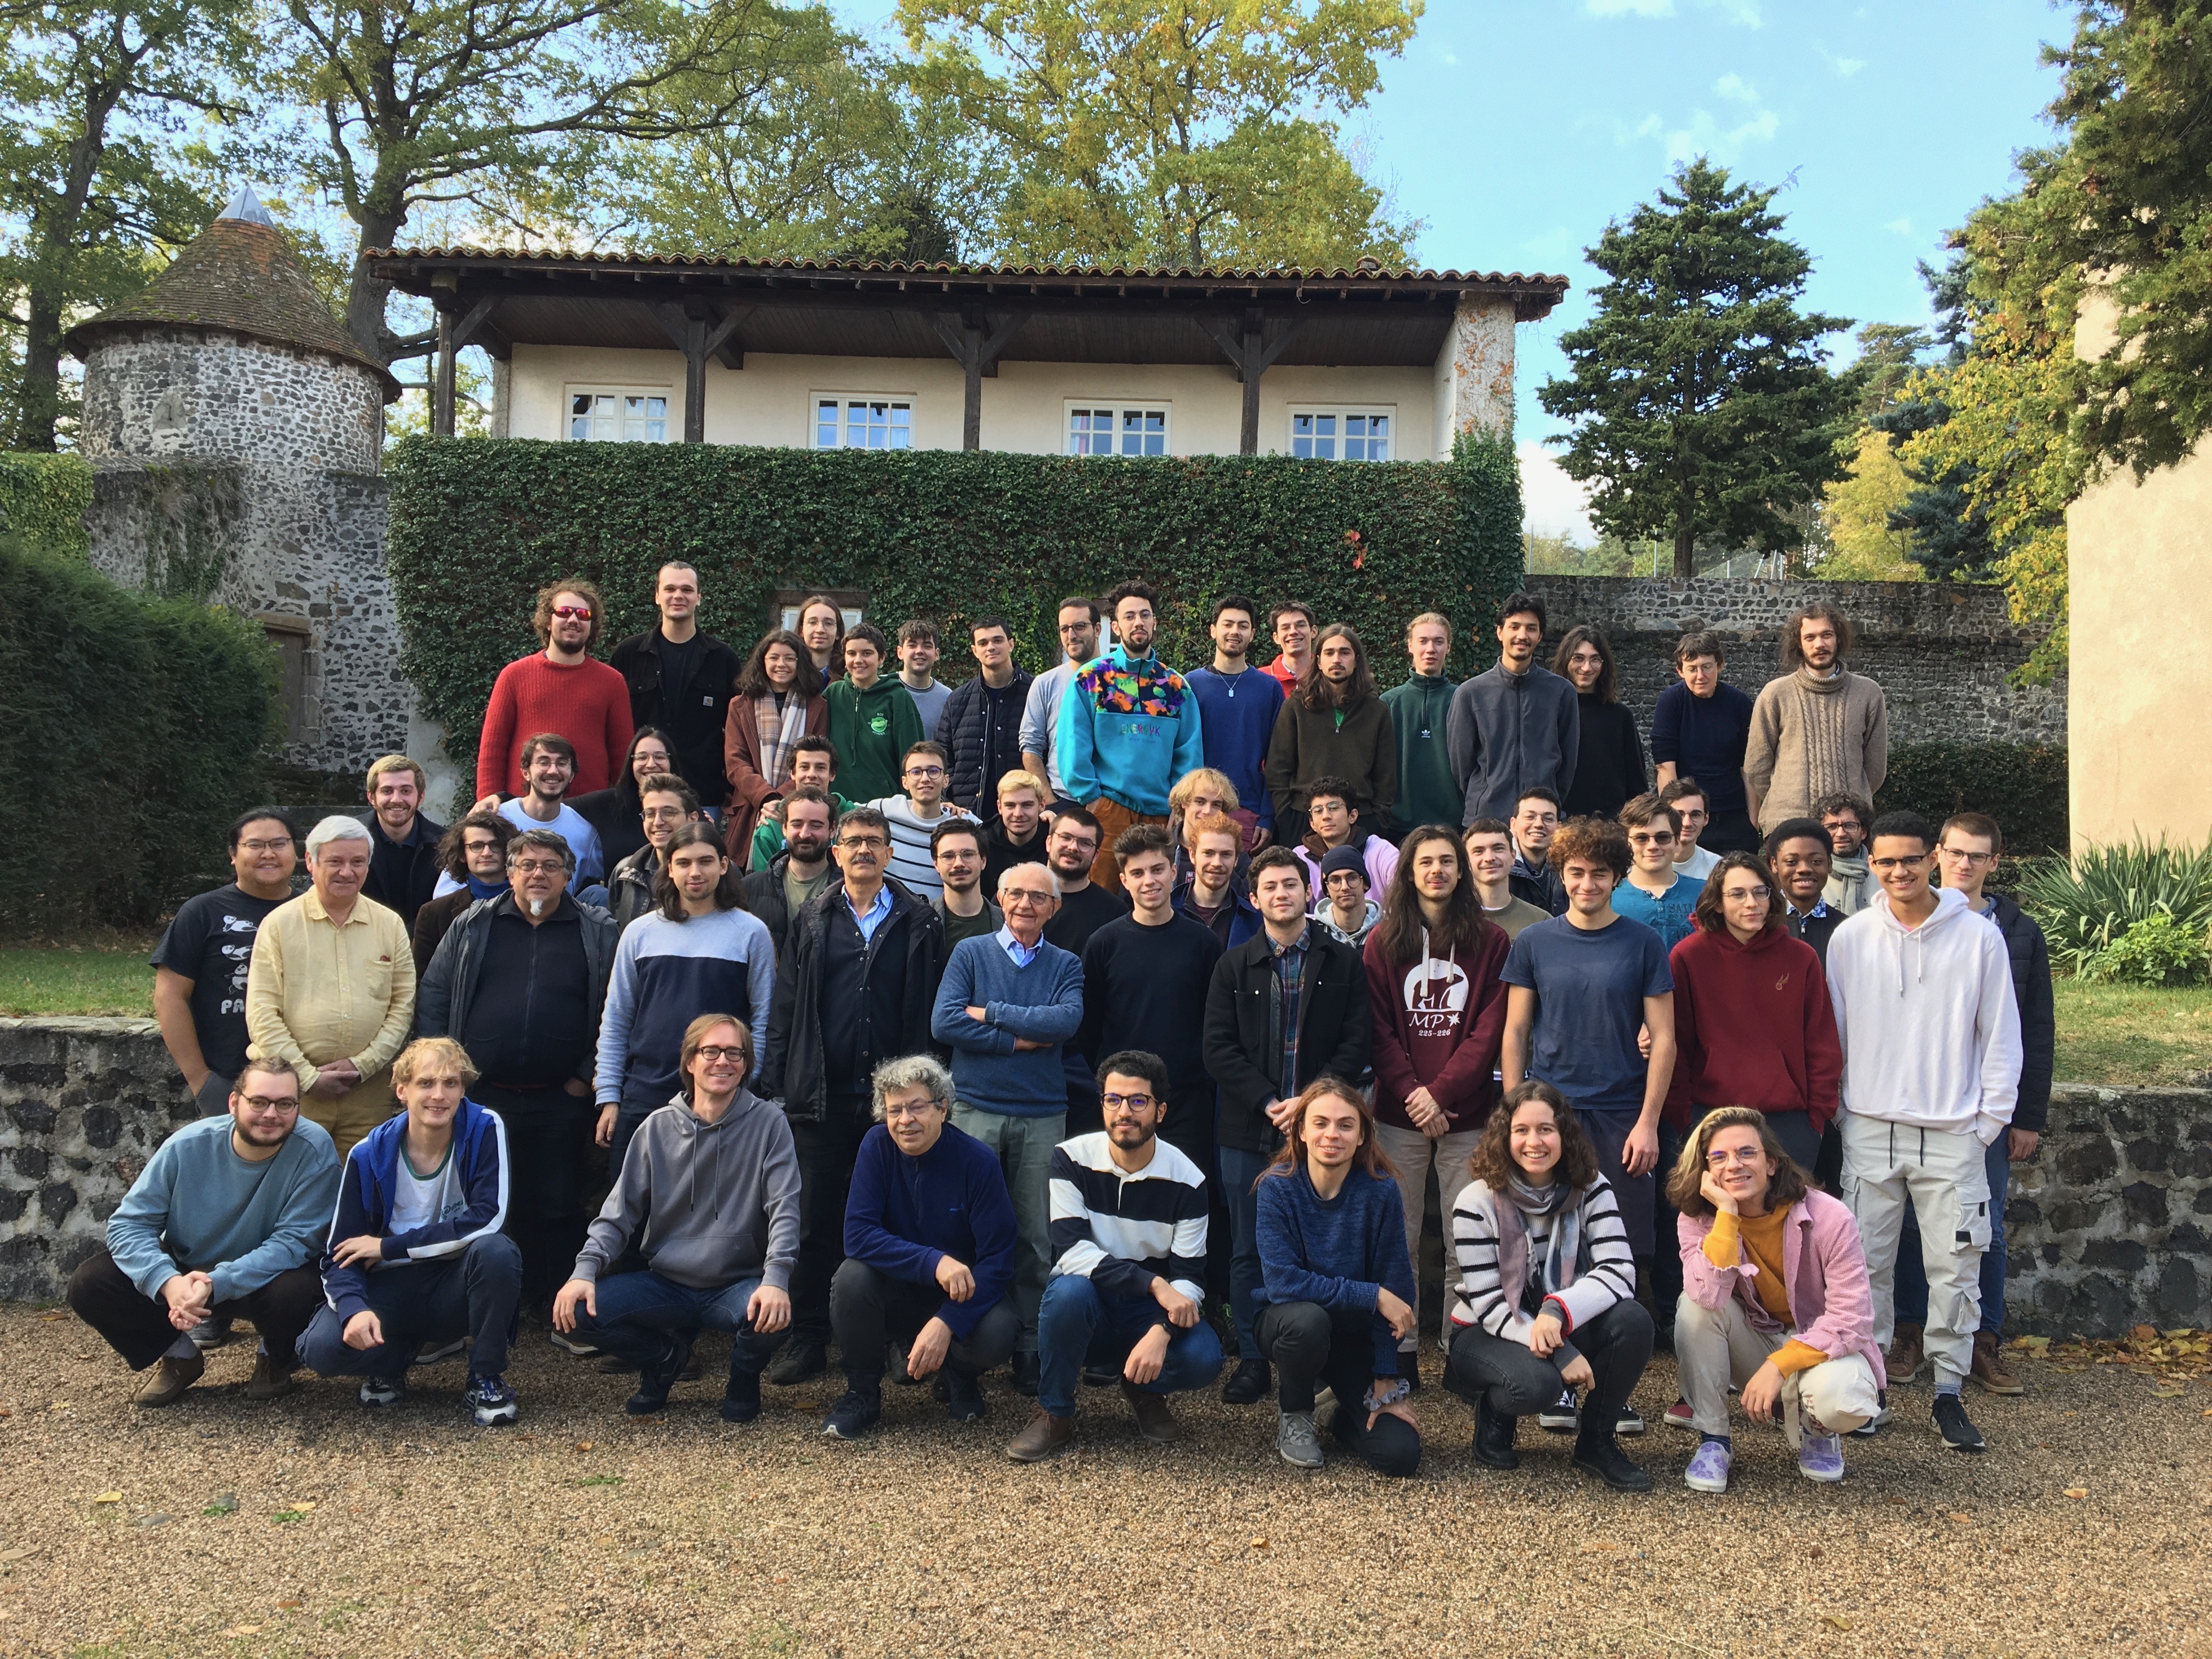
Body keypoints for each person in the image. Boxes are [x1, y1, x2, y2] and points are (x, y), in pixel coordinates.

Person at [1826, 809, 2021, 1453]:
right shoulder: (1851, 938)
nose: (1899, 872)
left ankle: (1949, 1392)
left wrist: (1987, 1124)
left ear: (1932, 858)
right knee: (1865, 1265)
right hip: (1870, 1127)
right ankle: (1872, 1387)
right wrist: (1846, 1112)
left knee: (1956, 1266)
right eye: (1885, 862)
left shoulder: (1979, 937)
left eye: (1910, 859)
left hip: (1953, 1130)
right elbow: (1835, 1033)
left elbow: (2001, 1034)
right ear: (1871, 864)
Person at [757, 804, 946, 1384]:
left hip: (895, 1105)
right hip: (822, 1096)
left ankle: (895, 1335)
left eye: (874, 841)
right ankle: (809, 1337)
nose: (864, 849)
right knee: (813, 1221)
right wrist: (778, 1086)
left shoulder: (919, 920)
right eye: (854, 841)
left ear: (890, 852)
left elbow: (929, 1011)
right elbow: (786, 1007)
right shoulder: (813, 919)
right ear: (836, 852)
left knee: (898, 1221)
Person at [554, 1014, 799, 1420]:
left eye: (735, 1053)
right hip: (666, 1282)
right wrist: (584, 1271)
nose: (723, 1061)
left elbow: (785, 1210)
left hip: (736, 1284)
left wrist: (776, 1279)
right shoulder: (656, 1128)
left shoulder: (769, 1124)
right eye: (711, 1051)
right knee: (576, 1315)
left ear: (745, 1064)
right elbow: (618, 1214)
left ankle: (743, 1377)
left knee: (775, 1314)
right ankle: (664, 1359)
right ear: (690, 1061)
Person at [415, 830, 617, 1322]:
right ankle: (504, 1301)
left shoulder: (597, 931)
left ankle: (559, 1306)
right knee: (494, 1200)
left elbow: (616, 1007)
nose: (538, 874)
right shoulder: (473, 925)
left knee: (560, 1202)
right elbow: (435, 995)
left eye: (550, 866)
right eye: (527, 865)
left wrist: (584, 1076)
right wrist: (446, 1076)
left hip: (561, 1096)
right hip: (485, 1096)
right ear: (510, 873)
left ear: (568, 876)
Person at [1891, 812, 2056, 1400]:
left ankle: (1983, 1339)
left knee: (1983, 1227)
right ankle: (1911, 1331)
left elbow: (2034, 1029)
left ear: (1994, 862)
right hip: (1918, 1101)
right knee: (1912, 1221)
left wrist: (2024, 1116)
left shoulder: (2017, 932)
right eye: (1956, 852)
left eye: (1977, 855)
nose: (1965, 864)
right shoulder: (1903, 919)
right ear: (1937, 854)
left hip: (1985, 1110)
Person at [66, 1058, 338, 1406]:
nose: (271, 1114)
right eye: (259, 1102)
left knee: (300, 1289)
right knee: (91, 1283)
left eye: (285, 1104)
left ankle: (275, 1358)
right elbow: (129, 1224)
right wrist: (168, 1281)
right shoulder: (186, 1146)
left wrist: (217, 1282)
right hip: (188, 1273)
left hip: (266, 1278)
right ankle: (179, 1357)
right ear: (234, 1102)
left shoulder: (314, 1149)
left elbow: (296, 1241)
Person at [1204, 846, 1372, 1406]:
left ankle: (1317, 1358)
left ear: (1309, 892)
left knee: (1321, 1246)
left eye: (1291, 884)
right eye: (1270, 887)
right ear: (1254, 899)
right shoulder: (1233, 965)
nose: (1282, 894)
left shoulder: (1343, 961)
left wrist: (1311, 1103)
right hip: (1249, 1129)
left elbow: (1356, 1042)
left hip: (1322, 1132)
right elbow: (1218, 1049)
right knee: (1248, 1249)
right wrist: (1269, 1101)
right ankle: (1254, 1360)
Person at [295, 1037, 526, 1425]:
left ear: (462, 1091)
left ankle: (485, 1376)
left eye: (451, 1083)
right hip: (391, 1287)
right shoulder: (368, 1154)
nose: (439, 1095)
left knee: (497, 1251)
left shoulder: (484, 1127)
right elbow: (340, 1253)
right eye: (426, 1083)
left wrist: (390, 1247)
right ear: (402, 1090)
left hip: (454, 1283)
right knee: (319, 1349)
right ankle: (391, 1360)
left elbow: (489, 1217)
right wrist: (353, 1310)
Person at [1008, 1051, 1222, 1460]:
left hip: (1148, 1312)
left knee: (1204, 1358)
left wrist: (1162, 1331)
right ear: (1103, 1104)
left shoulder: (1189, 1180)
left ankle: (1143, 1388)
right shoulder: (1071, 1158)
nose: (1125, 1112)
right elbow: (1071, 1251)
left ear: (1160, 1111)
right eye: (1114, 1100)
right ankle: (1055, 1412)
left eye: (1138, 1101)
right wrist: (1154, 1283)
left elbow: (1190, 1279)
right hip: (1091, 1302)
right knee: (1067, 1293)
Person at [1444, 1081, 1653, 1489]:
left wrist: (1557, 1310)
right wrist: (1562, 1353)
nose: (1534, 1142)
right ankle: (1495, 1411)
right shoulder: (1476, 1201)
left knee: (1633, 1320)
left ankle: (1596, 1442)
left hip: (1560, 1318)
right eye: (1521, 1130)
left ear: (1565, 1135)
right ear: (1504, 1137)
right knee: (1537, 1385)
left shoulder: (1592, 1188)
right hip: (1487, 1330)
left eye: (1546, 1129)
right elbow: (1491, 1307)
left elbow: (1619, 1270)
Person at [1499, 816, 1674, 1288]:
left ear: (1617, 877)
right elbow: (1515, 1031)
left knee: (1623, 1243)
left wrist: (1649, 1123)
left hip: (1622, 1112)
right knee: (1546, 1239)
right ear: (1561, 874)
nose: (1587, 884)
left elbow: (1664, 1038)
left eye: (1599, 873)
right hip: (1551, 1110)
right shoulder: (1534, 941)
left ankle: (1620, 1323)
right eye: (1576, 872)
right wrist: (1515, 1113)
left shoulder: (1644, 943)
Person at [930, 861, 1086, 1392]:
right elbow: (945, 1022)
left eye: (1039, 897)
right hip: (973, 1107)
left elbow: (1064, 1022)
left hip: (1043, 1113)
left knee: (1036, 1234)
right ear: (1000, 898)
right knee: (960, 1227)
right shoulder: (970, 953)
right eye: (1016, 894)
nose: (1026, 904)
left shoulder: (1066, 963)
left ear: (1054, 908)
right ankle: (958, 1345)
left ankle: (1029, 1345)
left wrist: (989, 1012)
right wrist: (1019, 1039)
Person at [1671, 1107, 1884, 1492]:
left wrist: (1779, 1367)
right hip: (1755, 1340)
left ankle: (1819, 1429)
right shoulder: (1698, 1219)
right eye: (1718, 1158)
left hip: (1819, 1347)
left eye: (1746, 1153)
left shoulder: (1830, 1216)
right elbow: (1706, 1295)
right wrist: (1727, 1214)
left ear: (1771, 1163)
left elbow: (1852, 1317)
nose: (1734, 1165)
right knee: (1693, 1307)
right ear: (1706, 1172)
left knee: (1843, 1400)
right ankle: (1714, 1439)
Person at [1364, 825, 1511, 1370]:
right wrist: (1414, 1095)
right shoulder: (1382, 942)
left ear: (1461, 870)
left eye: (1447, 861)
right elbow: (1378, 1030)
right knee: (1397, 1237)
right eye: (1426, 862)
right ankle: (1400, 1350)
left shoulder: (1491, 942)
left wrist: (1441, 1093)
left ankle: (1460, 1347)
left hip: (1467, 1115)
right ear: (1408, 871)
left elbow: (1489, 1032)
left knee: (1465, 1237)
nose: (1437, 871)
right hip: (1397, 1116)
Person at [823, 1055, 1019, 1438]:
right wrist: (934, 1262)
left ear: (942, 1109)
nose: (905, 1120)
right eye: (894, 1110)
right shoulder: (876, 1147)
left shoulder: (978, 1161)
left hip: (961, 1293)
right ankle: (862, 1392)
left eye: (917, 1107)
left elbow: (998, 1260)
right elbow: (858, 1235)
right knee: (850, 1278)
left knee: (1000, 1329)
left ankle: (960, 1375)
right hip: (894, 1290)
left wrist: (949, 1322)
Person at [1251, 1080, 1421, 1476]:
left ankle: (1338, 1414)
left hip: (1353, 1339)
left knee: (1399, 1455)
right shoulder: (1277, 1188)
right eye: (1321, 1123)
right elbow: (1283, 1283)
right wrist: (1371, 1295)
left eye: (1346, 1125)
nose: (1332, 1134)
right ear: (1301, 1131)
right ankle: (1296, 1413)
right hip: (1288, 1325)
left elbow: (1395, 1289)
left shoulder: (1381, 1191)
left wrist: (1385, 1375)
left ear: (1361, 1135)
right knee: (1309, 1321)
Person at [593, 823, 775, 1173]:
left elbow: (764, 1018)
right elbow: (617, 1017)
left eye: (706, 861)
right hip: (643, 1094)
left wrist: (743, 1084)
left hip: (720, 1096)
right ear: (669, 868)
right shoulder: (639, 933)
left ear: (724, 865)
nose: (695, 872)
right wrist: (610, 1096)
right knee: (632, 1203)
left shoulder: (751, 933)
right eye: (684, 862)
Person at [245, 815, 418, 1161]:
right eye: (335, 861)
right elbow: (262, 1013)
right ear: (310, 862)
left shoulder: (390, 924)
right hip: (292, 1093)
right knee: (292, 1184)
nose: (347, 872)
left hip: (368, 1094)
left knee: (359, 1185)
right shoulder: (279, 925)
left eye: (358, 862)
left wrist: (363, 1065)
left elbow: (403, 1004)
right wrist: (306, 1077)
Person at [1664, 853, 1839, 1176]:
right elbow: (1678, 1043)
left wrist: (1817, 1117)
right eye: (1737, 894)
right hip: (1710, 1116)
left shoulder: (1800, 957)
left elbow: (1821, 1040)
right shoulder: (1688, 957)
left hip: (1790, 1120)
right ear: (1718, 903)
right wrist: (1683, 1116)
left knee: (1788, 1207)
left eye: (1761, 892)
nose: (1752, 903)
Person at [1077, 826, 1224, 1161]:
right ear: (1124, 880)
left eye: (1157, 870)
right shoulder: (1103, 943)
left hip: (1185, 1100)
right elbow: (1088, 1026)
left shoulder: (1202, 943)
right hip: (1122, 1098)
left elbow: (1213, 1021)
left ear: (1174, 872)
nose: (1149, 881)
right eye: (1138, 873)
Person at [1056, 580, 1203, 888]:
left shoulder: (1176, 687)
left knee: (1155, 897)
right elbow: (1073, 744)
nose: (1139, 622)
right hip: (1108, 811)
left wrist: (1180, 807)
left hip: (1161, 816)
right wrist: (1093, 799)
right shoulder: (1091, 679)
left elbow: (1189, 753)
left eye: (1145, 615)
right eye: (1130, 616)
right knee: (1101, 898)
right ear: (1116, 627)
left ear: (1154, 622)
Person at [153, 808, 297, 1118]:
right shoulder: (202, 913)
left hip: (306, 1081)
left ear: (296, 852)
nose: (268, 854)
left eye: (279, 844)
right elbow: (169, 997)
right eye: (255, 845)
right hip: (227, 1083)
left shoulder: (313, 910)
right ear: (233, 854)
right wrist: (201, 1081)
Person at [476, 577, 633, 800]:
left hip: (589, 811)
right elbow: (493, 747)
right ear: (548, 621)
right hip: (523, 809)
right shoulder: (514, 675)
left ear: (592, 626)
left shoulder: (612, 682)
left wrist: (625, 808)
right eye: (564, 612)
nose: (573, 620)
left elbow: (622, 757)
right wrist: (488, 800)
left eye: (583, 615)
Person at [1746, 604, 1889, 836]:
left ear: (1838, 639)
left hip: (1848, 828)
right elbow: (1756, 766)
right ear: (1799, 644)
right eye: (1810, 637)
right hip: (1788, 826)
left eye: (1827, 635)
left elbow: (1875, 769)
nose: (1819, 644)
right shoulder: (1776, 694)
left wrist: (1850, 804)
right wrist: (1787, 799)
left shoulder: (1868, 693)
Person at [608, 561, 741, 811]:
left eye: (687, 590)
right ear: (657, 596)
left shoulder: (723, 659)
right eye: (670, 589)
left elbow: (737, 730)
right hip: (636, 795)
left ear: (699, 598)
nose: (678, 596)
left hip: (702, 794)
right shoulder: (629, 655)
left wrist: (729, 785)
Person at [1447, 591, 1578, 828]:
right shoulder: (1470, 693)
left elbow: (1568, 763)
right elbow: (1461, 766)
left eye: (1531, 629)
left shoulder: (1561, 692)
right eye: (1514, 627)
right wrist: (1485, 795)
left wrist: (1550, 802)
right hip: (1486, 821)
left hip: (1541, 823)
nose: (1522, 636)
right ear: (1500, 632)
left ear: (1540, 636)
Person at [1266, 623, 1397, 835]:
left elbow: (1386, 776)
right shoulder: (1296, 706)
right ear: (1318, 661)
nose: (1337, 659)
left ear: (1356, 660)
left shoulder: (1377, 710)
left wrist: (1377, 820)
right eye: (1329, 653)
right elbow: (1277, 769)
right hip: (1304, 820)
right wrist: (1286, 817)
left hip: (1360, 820)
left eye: (1344, 653)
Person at [722, 629, 830, 864]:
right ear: (763, 661)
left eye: (790, 658)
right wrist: (766, 798)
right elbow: (735, 761)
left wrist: (781, 800)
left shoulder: (817, 706)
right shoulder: (740, 706)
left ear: (800, 663)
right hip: (750, 807)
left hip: (799, 806)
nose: (782, 664)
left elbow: (816, 758)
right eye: (774, 657)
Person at [1187, 593, 1284, 849]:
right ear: (1213, 631)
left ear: (1252, 634)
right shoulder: (1190, 685)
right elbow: (1179, 751)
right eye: (1227, 624)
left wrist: (1268, 815)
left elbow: (1278, 758)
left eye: (1243, 626)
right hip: (1200, 808)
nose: (1235, 631)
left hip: (1249, 810)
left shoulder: (1269, 689)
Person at [1650, 631, 1757, 853]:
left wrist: (1752, 823)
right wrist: (1673, 821)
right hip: (1687, 815)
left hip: (1732, 813)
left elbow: (1749, 767)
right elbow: (1665, 766)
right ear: (1680, 671)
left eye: (1707, 667)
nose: (1700, 676)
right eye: (1692, 669)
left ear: (1720, 665)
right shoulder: (1671, 702)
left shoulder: (1739, 703)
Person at [938, 616, 1032, 815]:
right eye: (983, 643)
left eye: (998, 640)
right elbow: (943, 755)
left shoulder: (1035, 693)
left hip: (1019, 813)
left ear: (1011, 644)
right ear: (975, 651)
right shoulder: (958, 700)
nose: (991, 647)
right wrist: (951, 792)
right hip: (966, 813)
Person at [486, 733, 605, 888]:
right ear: (526, 773)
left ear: (572, 775)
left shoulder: (585, 833)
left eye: (562, 763)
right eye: (544, 763)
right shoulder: (498, 818)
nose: (553, 771)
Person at [1553, 625, 1646, 822]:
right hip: (1561, 824)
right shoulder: (1551, 713)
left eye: (1595, 659)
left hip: (1611, 825)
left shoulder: (1620, 716)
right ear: (1565, 660)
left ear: (1604, 665)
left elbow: (1637, 785)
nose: (1587, 668)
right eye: (1579, 658)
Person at [826, 621, 926, 805]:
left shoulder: (897, 698)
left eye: (867, 653)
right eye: (851, 654)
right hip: (838, 804)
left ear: (881, 658)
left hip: (885, 807)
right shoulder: (833, 695)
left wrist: (911, 807)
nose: (858, 660)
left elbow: (913, 756)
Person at [1383, 612, 1462, 838]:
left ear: (1448, 647)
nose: (1431, 649)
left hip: (1453, 825)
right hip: (1398, 827)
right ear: (1410, 646)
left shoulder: (1463, 699)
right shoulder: (1388, 703)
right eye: (1423, 641)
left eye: (1439, 642)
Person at [411, 811, 517, 972]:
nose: (487, 853)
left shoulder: (530, 907)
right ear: (462, 855)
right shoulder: (434, 914)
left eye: (495, 845)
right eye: (477, 846)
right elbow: (421, 977)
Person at [871, 740, 976, 901]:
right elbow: (840, 809)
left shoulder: (967, 823)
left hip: (941, 914)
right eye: (916, 772)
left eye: (933, 771)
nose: (925, 778)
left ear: (946, 780)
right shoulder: (884, 810)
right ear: (905, 782)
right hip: (892, 912)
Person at [1019, 596, 1101, 804]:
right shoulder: (1045, 683)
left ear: (1098, 629)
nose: (1071, 636)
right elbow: (1030, 747)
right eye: (1065, 629)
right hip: (1062, 799)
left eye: (1080, 627)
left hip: (1112, 802)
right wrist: (1049, 800)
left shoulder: (1120, 680)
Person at [740, 786, 837, 956]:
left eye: (816, 825)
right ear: (784, 828)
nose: (805, 834)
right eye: (797, 824)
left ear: (832, 830)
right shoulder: (749, 889)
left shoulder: (848, 890)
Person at [568, 726, 678, 872]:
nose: (651, 764)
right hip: (619, 886)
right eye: (642, 757)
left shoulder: (686, 807)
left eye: (660, 757)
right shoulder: (606, 803)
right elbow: (558, 809)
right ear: (631, 763)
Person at [605, 773, 702, 929]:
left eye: (668, 812)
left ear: (692, 818)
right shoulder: (625, 872)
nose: (658, 822)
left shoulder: (716, 871)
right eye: (650, 814)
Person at [358, 755, 444, 928]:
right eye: (387, 791)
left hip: (423, 941)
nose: (396, 799)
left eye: (406, 791)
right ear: (371, 797)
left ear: (421, 796)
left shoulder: (445, 845)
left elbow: (449, 907)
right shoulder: (346, 841)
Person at [747, 735, 854, 872]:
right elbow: (763, 880)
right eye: (804, 767)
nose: (812, 774)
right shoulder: (772, 824)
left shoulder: (852, 816)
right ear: (793, 773)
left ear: (832, 774)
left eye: (820, 768)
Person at [1290, 774, 1401, 901]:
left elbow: (1403, 894)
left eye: (1334, 808)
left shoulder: (1380, 851)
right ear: (1312, 824)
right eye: (1318, 811)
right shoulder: (1299, 858)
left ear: (1352, 816)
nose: (1326, 816)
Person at [1611, 792, 1698, 952]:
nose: (1652, 846)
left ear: (1677, 841)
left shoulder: (1705, 894)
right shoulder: (1608, 896)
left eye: (1663, 837)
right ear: (1626, 843)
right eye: (1641, 838)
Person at [1036, 804, 1126, 954]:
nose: (1073, 847)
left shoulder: (1114, 912)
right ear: (1049, 843)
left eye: (1085, 843)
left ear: (1096, 856)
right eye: (1066, 838)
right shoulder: (1015, 895)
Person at [1176, 809, 1262, 950]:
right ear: (1192, 855)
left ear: (1236, 859)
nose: (1217, 863)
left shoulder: (1255, 920)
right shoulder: (1167, 911)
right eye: (1208, 853)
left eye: (1226, 854)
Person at [1765, 816, 1843, 963]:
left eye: (1816, 861)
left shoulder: (1846, 929)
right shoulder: (1761, 924)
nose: (1804, 869)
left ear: (1829, 864)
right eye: (1792, 862)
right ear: (1774, 865)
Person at [1463, 818, 1551, 940]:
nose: (1489, 858)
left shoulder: (1541, 921)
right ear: (1466, 862)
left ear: (1513, 857)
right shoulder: (1452, 918)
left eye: (1498, 848)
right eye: (1479, 851)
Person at [931, 817, 1003, 952]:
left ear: (983, 861)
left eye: (968, 855)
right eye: (948, 856)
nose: (958, 864)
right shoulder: (920, 925)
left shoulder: (1007, 924)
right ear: (936, 864)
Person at [980, 769, 1050, 896]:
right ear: (999, 807)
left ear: (1042, 805)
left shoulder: (1054, 839)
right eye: (1010, 806)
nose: (1018, 814)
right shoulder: (982, 841)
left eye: (1027, 805)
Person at [1816, 792, 1880, 916]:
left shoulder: (1881, 872)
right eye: (1831, 827)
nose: (1841, 834)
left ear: (1863, 832)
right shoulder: (1813, 875)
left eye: (1849, 826)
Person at [1508, 787, 1566, 915]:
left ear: (1559, 827)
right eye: (1530, 817)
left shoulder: (1569, 865)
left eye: (1548, 819)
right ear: (1513, 824)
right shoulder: (1500, 866)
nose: (1539, 824)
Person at [894, 618, 953, 736]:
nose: (919, 651)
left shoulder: (947, 698)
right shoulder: (882, 688)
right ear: (900, 652)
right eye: (912, 645)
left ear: (937, 654)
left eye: (927, 646)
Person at [1312, 845, 1379, 947]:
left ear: (1365, 883)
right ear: (1327, 889)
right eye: (1335, 880)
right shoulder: (1313, 935)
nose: (1344, 887)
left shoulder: (1389, 931)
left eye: (1352, 878)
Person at [1660, 776, 1719, 885]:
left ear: (1706, 819)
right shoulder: (1641, 865)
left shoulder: (1717, 869)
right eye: (1679, 814)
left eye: (1695, 815)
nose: (1687, 823)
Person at [1262, 601, 1316, 693]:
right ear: (1276, 638)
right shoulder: (1262, 679)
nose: (1293, 632)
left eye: (1300, 625)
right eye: (1285, 628)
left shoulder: (1328, 674)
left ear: (1313, 632)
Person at [795, 593, 846, 682]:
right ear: (801, 630)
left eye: (828, 623)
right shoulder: (788, 672)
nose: (820, 630)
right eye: (812, 622)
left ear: (838, 632)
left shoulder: (850, 674)